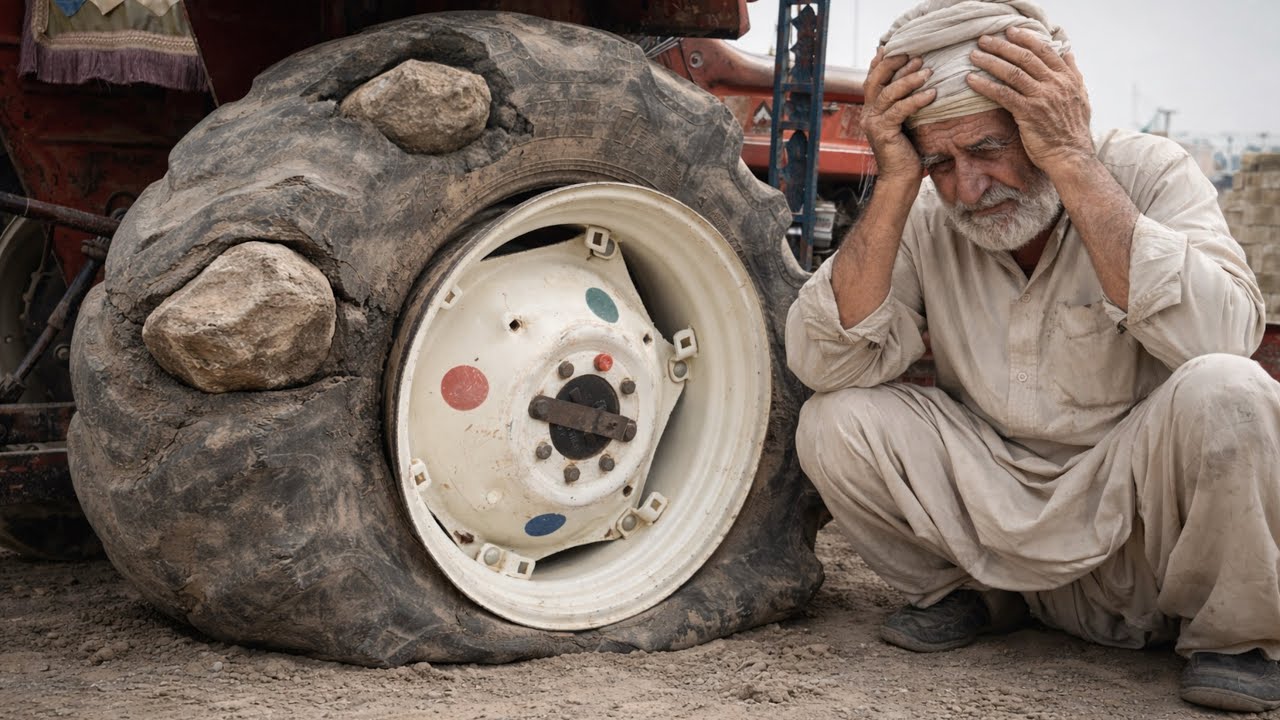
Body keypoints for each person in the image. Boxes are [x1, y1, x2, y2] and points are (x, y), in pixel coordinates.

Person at [785, 0, 1280, 712]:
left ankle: (1232, 637)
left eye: (987, 149)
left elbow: (1223, 336)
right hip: (996, 513)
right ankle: (976, 595)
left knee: (1230, 391)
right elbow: (822, 361)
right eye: (940, 162)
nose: (969, 187)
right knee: (835, 422)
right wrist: (895, 182)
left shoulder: (1146, 172)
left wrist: (1073, 163)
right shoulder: (927, 213)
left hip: (1143, 521)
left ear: (1045, 120)